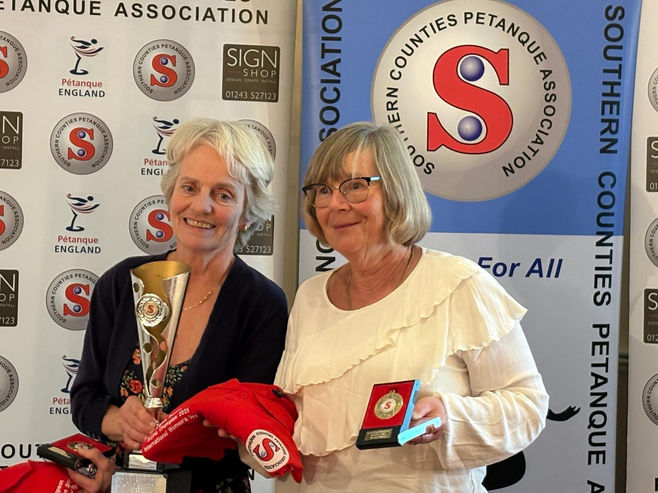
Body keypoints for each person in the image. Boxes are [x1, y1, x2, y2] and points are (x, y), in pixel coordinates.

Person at [274, 121, 549, 492]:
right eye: (323, 190)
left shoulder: (459, 284)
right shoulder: (310, 296)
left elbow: (527, 408)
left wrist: (449, 416)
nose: (336, 203)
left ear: (396, 190)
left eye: (355, 185)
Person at [69, 118, 289, 493]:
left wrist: (173, 430)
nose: (201, 205)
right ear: (172, 195)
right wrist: (120, 421)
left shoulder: (262, 304)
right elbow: (84, 399)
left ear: (246, 213)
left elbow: (250, 429)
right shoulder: (120, 284)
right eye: (189, 187)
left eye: (223, 194)